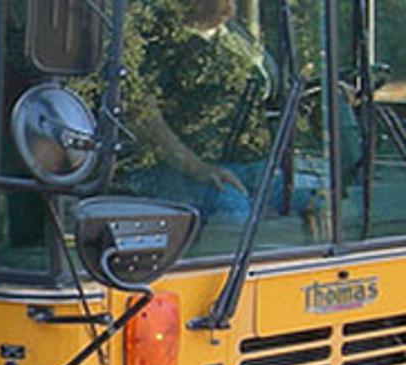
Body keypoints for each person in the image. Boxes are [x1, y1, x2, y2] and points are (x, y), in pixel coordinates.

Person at [121, 0, 321, 226]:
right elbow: (140, 115)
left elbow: (271, 90)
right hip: (183, 171)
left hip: (254, 165)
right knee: (235, 213)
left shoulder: (235, 35)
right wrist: (197, 168)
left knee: (319, 202)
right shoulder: (157, 37)